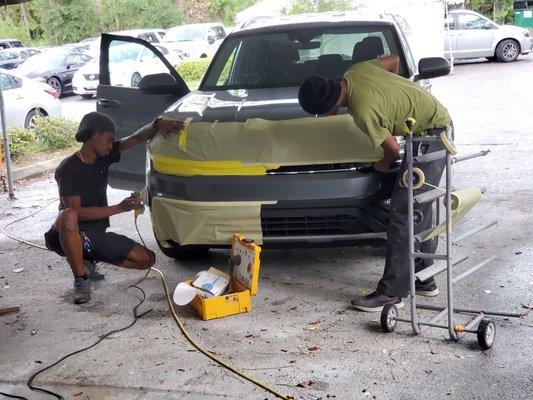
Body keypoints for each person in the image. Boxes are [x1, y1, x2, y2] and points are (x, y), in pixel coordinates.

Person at [298, 55, 452, 312]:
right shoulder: (355, 70)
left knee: (404, 212)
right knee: (419, 209)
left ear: (326, 106)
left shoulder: (363, 111)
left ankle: (391, 293)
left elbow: (391, 149)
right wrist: (395, 95)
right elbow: (392, 60)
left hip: (434, 136)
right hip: (430, 126)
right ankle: (425, 279)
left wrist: (380, 165)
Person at [44, 111, 183, 304]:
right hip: (66, 235)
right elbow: (78, 213)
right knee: (68, 215)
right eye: (109, 140)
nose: (112, 145)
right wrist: (120, 207)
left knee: (146, 259)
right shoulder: (68, 168)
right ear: (94, 135)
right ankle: (81, 279)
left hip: (93, 236)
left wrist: (157, 124)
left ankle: (88, 258)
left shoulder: (104, 156)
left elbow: (135, 138)